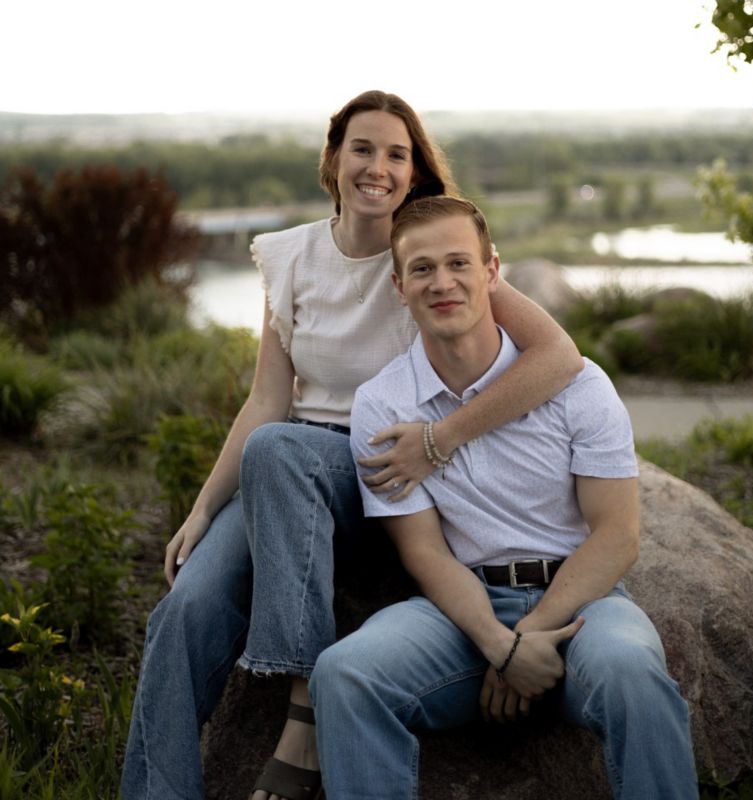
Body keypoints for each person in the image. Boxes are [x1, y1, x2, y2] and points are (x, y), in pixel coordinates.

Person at [120, 92, 583, 800]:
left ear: (414, 170)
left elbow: (559, 357)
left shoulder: (428, 255)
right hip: (285, 467)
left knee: (279, 450)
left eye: (397, 154)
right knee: (183, 613)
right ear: (334, 158)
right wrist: (204, 508)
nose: (378, 167)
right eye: (362, 149)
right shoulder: (290, 256)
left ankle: (305, 708)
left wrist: (440, 439)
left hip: (389, 467)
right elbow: (266, 402)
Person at [310, 196, 699, 800]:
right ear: (399, 286)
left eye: (459, 263)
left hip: (583, 605)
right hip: (461, 615)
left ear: (492, 271)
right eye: (422, 269)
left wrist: (530, 638)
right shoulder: (382, 404)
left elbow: (617, 536)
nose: (442, 283)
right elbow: (425, 552)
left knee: (631, 670)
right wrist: (498, 645)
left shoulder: (579, 386)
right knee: (344, 673)